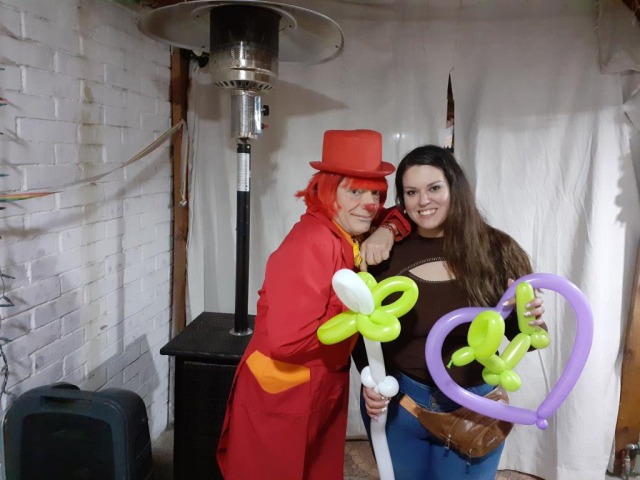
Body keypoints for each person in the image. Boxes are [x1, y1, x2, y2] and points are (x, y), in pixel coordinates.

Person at [354, 145, 545, 480]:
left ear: (455, 188)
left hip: (474, 410)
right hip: (401, 405)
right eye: (411, 192)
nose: (423, 201)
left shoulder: (498, 250)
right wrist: (370, 380)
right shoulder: (384, 252)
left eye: (434, 188)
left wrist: (528, 318)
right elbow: (363, 331)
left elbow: (524, 340)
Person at [216, 129, 396, 480]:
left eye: (375, 193)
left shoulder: (345, 233)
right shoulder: (313, 242)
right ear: (328, 192)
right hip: (284, 394)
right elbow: (288, 342)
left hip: (319, 385)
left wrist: (386, 230)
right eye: (355, 191)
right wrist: (355, 312)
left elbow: (399, 215)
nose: (370, 204)